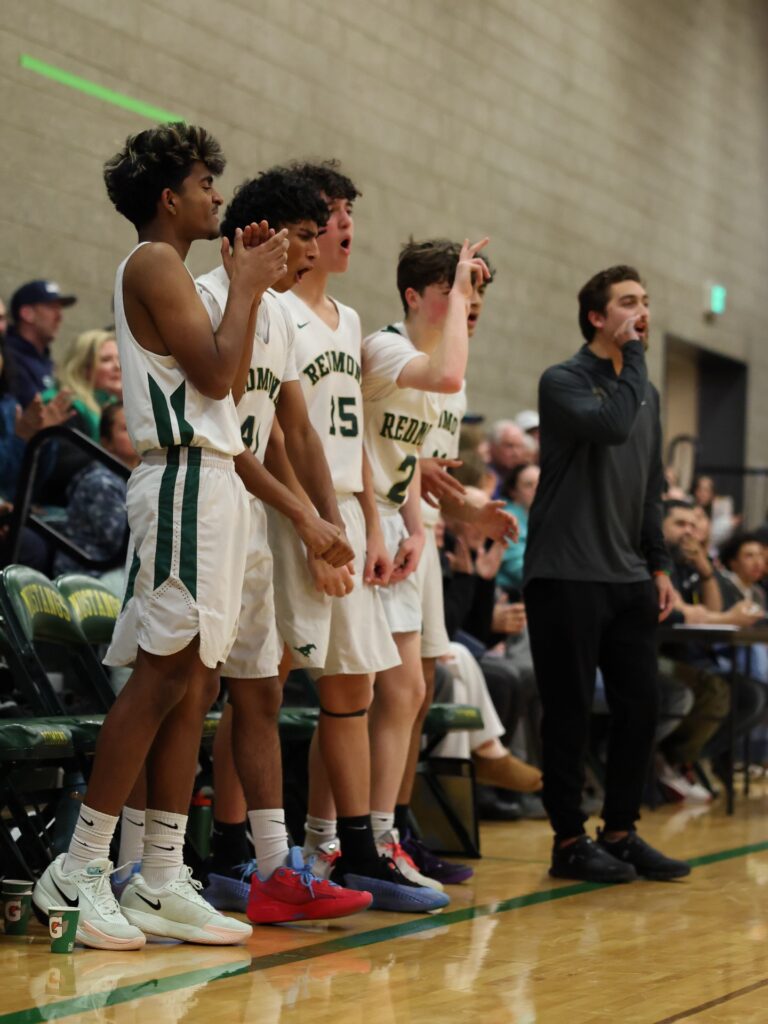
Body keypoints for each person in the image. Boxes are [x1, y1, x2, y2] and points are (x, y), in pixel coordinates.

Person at [33, 121, 289, 949]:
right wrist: (244, 287)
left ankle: (162, 876)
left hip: (211, 482)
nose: (220, 193)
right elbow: (218, 375)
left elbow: (228, 372)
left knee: (195, 684)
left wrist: (244, 281)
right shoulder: (152, 262)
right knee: (161, 676)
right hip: (182, 477)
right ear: (168, 197)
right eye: (207, 181)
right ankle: (78, 868)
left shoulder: (179, 270)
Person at [195, 166, 370, 924]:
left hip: (254, 518)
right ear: (260, 232)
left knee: (261, 690)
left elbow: (296, 430)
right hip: (200, 499)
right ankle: (138, 862)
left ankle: (274, 868)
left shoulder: (279, 318)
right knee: (182, 693)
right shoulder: (212, 298)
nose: (311, 249)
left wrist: (327, 529)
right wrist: (307, 519)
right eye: (302, 234)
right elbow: (231, 439)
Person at [268, 160, 441, 912]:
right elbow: (279, 425)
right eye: (331, 213)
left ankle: (337, 849)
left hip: (344, 506)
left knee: (355, 690)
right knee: (260, 689)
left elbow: (357, 438)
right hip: (292, 509)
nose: (345, 226)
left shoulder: (350, 320)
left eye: (348, 214)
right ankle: (256, 855)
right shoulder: (276, 309)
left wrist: (372, 521)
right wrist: (318, 524)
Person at [523, 264, 690, 883]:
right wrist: (637, 358)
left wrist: (659, 564)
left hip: (627, 577)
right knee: (567, 711)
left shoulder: (645, 389)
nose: (640, 311)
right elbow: (613, 426)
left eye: (645, 301)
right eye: (627, 302)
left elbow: (650, 485)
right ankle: (568, 840)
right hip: (565, 572)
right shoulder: (563, 381)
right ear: (597, 317)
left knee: (641, 707)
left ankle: (620, 831)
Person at [53, 402, 137, 576]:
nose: (136, 432)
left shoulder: (140, 477)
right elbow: (125, 545)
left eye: (139, 424)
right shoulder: (100, 482)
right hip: (88, 576)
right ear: (106, 442)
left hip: (118, 570)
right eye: (126, 427)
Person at [4, 279, 77, 408]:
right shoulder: (8, 357)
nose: (59, 316)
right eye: (51, 307)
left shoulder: (47, 361)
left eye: (59, 309)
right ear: (27, 314)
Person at [44, 329, 122, 441]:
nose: (118, 366)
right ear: (83, 367)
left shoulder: (112, 401)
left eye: (119, 358)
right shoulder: (64, 406)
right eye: (106, 360)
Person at [497, 462, 540, 596]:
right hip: (509, 596)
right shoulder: (508, 519)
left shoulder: (545, 516)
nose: (537, 489)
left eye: (540, 483)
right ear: (513, 491)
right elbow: (520, 570)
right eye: (528, 485)